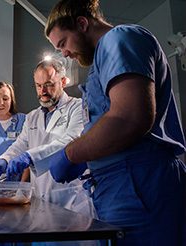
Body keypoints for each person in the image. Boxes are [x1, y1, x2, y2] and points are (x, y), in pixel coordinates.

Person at [44, 0, 186, 245]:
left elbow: (129, 117)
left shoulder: (119, 38)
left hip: (141, 184)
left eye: (63, 43)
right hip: (122, 186)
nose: (64, 53)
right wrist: (90, 157)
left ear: (81, 23)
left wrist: (71, 154)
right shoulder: (101, 60)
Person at [0, 59, 86, 204]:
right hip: (40, 196)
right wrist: (4, 160)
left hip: (70, 197)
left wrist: (29, 157)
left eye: (49, 85)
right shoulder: (32, 117)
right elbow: (20, 144)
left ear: (63, 82)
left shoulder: (77, 107)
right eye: (38, 86)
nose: (43, 92)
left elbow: (71, 141)